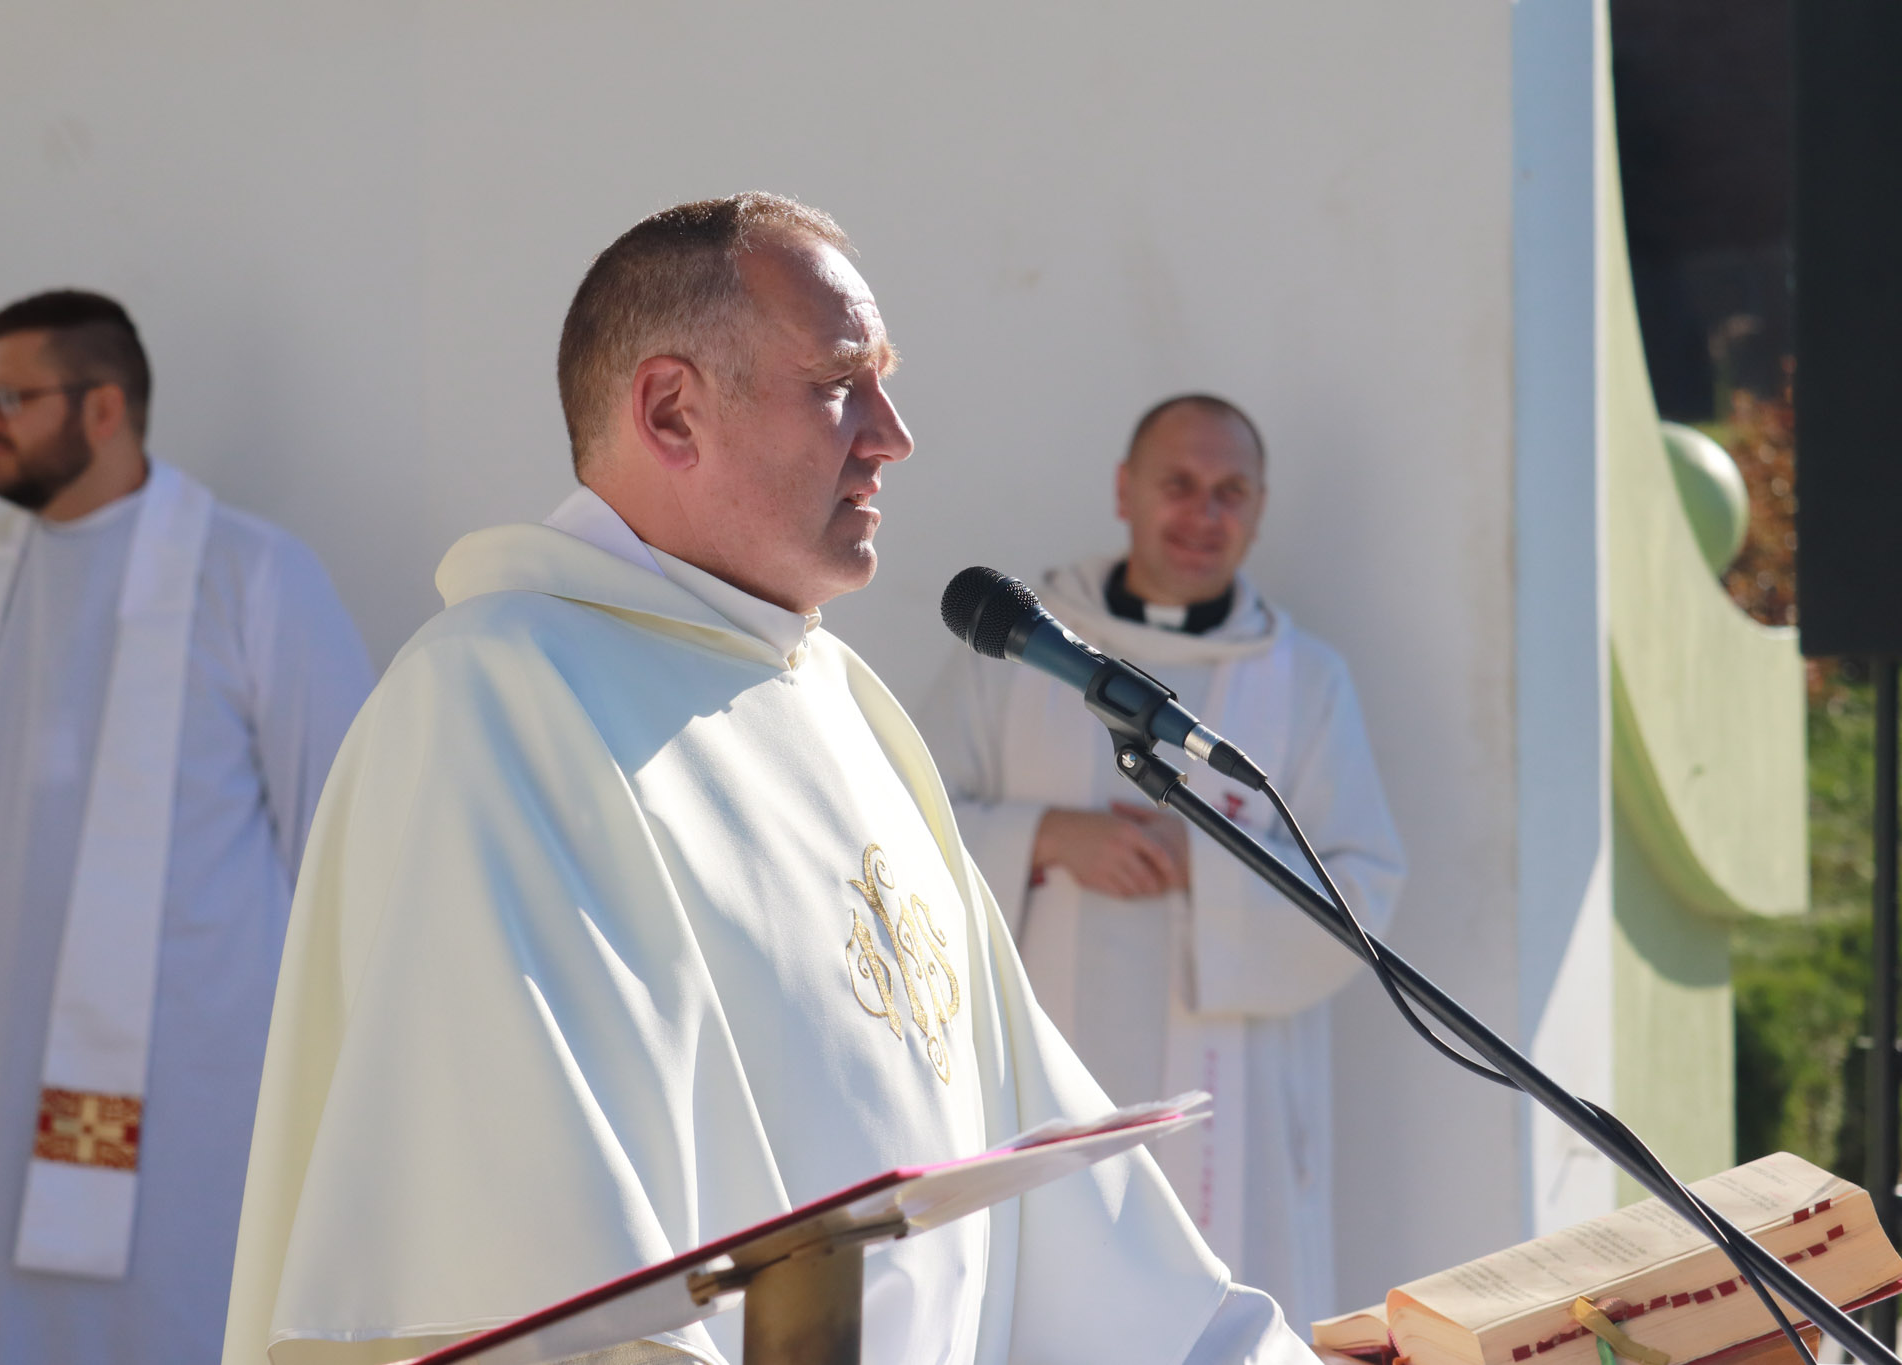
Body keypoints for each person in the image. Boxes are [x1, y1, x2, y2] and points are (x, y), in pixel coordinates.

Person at [221, 196, 1317, 1365]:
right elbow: (527, 1259)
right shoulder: (497, 702)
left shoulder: (843, 708)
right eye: (841, 382)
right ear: (670, 410)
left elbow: (1051, 1183)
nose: (892, 436)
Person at [0, 290, 375, 1365]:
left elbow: (343, 835)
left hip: (189, 1098)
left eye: (10, 398)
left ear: (104, 407)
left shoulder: (251, 576)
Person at [919, 394, 1406, 1325]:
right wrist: (1045, 838)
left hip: (1232, 1116)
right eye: (1178, 484)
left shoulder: (1303, 680)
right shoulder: (1016, 652)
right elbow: (905, 828)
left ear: (1259, 509)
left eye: (1231, 492)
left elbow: (1365, 887)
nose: (1203, 513)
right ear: (1124, 491)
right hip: (1038, 1079)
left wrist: (1206, 858)